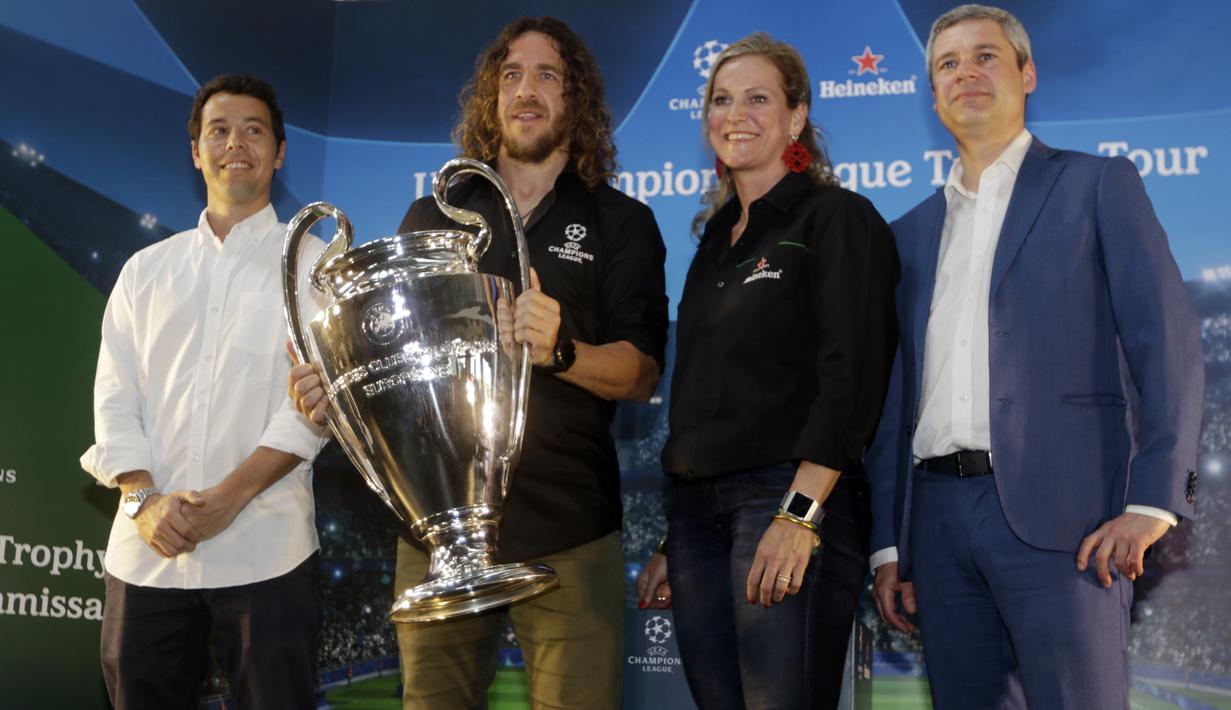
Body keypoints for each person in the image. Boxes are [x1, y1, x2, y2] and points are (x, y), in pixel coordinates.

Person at [289, 17, 669, 710]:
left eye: (548, 76)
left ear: (576, 99)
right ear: (492, 98)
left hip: (569, 526)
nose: (527, 90)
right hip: (435, 530)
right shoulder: (428, 218)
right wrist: (338, 394)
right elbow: (393, 368)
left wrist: (560, 351)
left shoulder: (621, 221)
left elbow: (641, 372)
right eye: (512, 75)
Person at [865, 5, 1205, 708]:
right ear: (933, 95)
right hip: (936, 524)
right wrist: (890, 544)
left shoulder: (1097, 184)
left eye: (985, 56)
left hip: (1067, 521)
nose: (966, 72)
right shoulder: (906, 234)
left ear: (1027, 74)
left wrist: (1154, 499)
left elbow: (1167, 343)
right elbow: (893, 399)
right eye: (948, 63)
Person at [636, 33, 898, 709]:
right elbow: (701, 400)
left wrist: (800, 514)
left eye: (758, 98)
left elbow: (852, 373)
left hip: (785, 498)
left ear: (796, 116)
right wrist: (670, 536)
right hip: (696, 520)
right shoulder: (713, 243)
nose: (736, 115)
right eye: (722, 100)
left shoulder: (835, 217)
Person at [80, 74, 328, 709]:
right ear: (196, 151)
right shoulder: (145, 272)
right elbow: (114, 399)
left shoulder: (316, 267)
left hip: (267, 552)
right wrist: (143, 501)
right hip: (147, 554)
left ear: (279, 152)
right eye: (218, 130)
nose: (235, 144)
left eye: (253, 130)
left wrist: (232, 495)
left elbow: (315, 409)